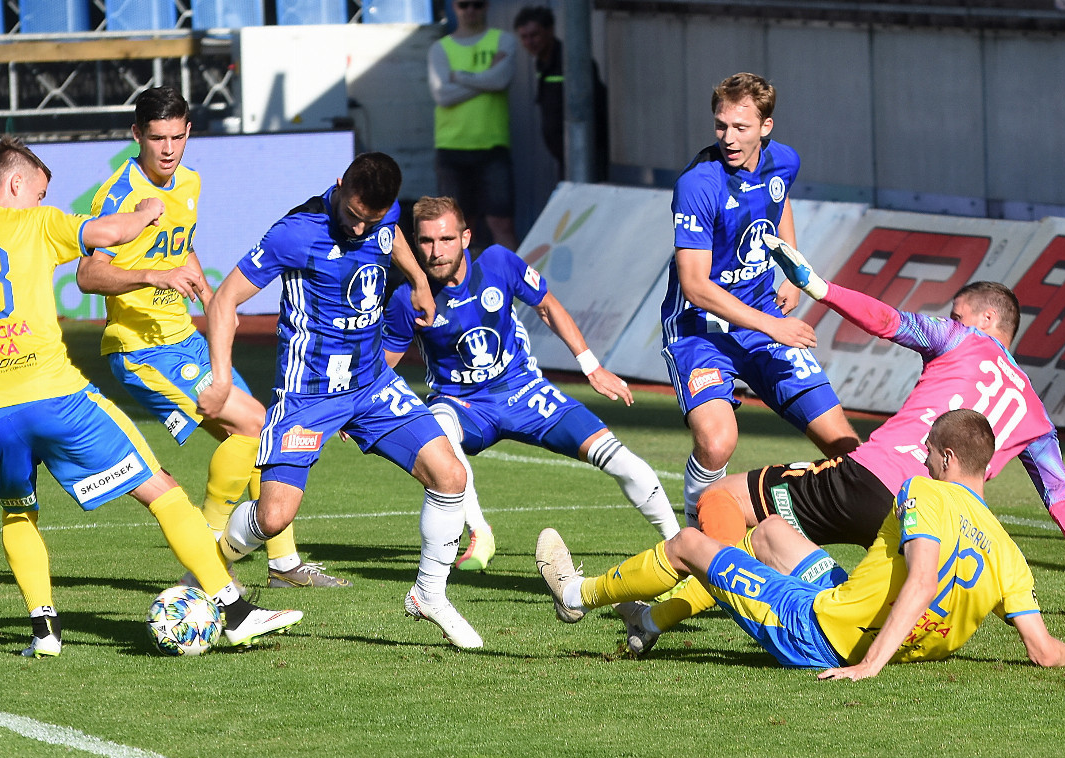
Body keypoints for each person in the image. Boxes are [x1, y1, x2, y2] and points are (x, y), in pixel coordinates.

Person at [0, 136, 301, 657]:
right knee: (161, 490)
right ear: (15, 183)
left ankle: (44, 631)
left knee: (18, 513)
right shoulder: (36, 224)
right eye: (39, 191)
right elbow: (109, 232)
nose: (41, 201)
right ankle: (235, 612)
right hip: (55, 398)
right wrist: (147, 211)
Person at [610, 239, 1065, 657]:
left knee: (723, 498)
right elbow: (1062, 501)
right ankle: (656, 618)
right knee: (795, 553)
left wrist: (820, 288)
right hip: (935, 525)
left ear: (986, 319)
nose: (952, 320)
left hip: (868, 482)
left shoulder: (962, 339)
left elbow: (890, 321)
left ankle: (687, 596)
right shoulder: (1038, 417)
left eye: (958, 314)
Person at [535, 409, 1065, 678]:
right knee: (770, 532)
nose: (922, 461)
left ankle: (577, 594)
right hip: (859, 615)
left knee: (688, 543)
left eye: (928, 453)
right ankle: (650, 622)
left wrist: (869, 666)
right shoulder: (1006, 549)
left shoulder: (925, 491)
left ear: (947, 458)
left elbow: (921, 578)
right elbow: (1042, 650)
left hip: (820, 632)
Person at [200, 153, 483, 649]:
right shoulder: (296, 232)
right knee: (274, 517)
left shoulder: (384, 216)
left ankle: (429, 594)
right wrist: (222, 378)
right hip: (308, 394)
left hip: (372, 384)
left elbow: (393, 236)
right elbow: (225, 299)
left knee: (451, 476)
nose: (358, 228)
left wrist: (418, 281)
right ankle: (206, 568)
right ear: (340, 183)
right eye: (352, 214)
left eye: (369, 220)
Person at [75, 87, 347, 590]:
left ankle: (283, 565)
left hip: (184, 339)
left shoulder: (190, 181)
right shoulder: (118, 195)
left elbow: (181, 244)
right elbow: (88, 276)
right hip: (141, 350)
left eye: (177, 137)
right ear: (136, 135)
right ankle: (205, 565)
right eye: (156, 138)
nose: (168, 149)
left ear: (188, 132)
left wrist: (207, 296)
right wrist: (153, 276)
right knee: (253, 425)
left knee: (259, 438)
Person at [381, 196, 677, 571]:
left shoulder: (497, 263)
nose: (436, 251)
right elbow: (386, 361)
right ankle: (479, 532)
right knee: (436, 426)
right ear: (415, 243)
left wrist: (592, 366)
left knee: (619, 459)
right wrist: (361, 403)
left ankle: (680, 544)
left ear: (465, 238)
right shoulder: (406, 300)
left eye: (446, 239)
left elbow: (547, 306)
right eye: (426, 241)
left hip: (525, 393)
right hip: (463, 405)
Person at [665, 72, 860, 529]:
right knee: (718, 442)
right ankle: (695, 531)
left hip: (763, 319)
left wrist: (790, 266)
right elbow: (694, 286)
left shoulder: (784, 160)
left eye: (741, 127)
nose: (728, 138)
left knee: (848, 449)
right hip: (701, 331)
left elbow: (779, 200)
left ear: (765, 127)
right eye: (721, 126)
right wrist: (771, 325)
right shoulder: (698, 184)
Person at [429, 0, 519, 251]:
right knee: (458, 227)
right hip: (452, 146)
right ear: (454, 7)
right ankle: (463, 277)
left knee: (502, 223)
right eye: (464, 4)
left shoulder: (503, 41)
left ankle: (512, 276)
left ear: (487, 6)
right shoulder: (440, 48)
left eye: (477, 5)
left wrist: (459, 76)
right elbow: (442, 95)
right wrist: (485, 78)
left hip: (493, 145)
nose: (470, 10)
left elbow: (500, 81)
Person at [511, 5, 608, 180]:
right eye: (524, 37)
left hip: (586, 158)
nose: (530, 42)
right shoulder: (542, 63)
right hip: (566, 158)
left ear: (550, 30)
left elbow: (597, 109)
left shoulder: (572, 63)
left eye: (535, 35)